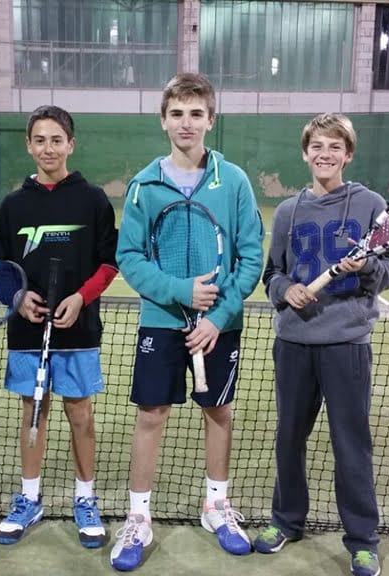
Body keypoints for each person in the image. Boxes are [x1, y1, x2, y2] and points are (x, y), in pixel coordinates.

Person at [110, 72, 265, 571]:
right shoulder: (143, 186)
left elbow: (249, 258)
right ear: (163, 120)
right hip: (161, 321)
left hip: (219, 326)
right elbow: (129, 257)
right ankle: (138, 517)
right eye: (177, 113)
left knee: (218, 411)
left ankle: (216, 507)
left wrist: (218, 317)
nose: (186, 122)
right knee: (151, 415)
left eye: (196, 113)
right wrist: (180, 292)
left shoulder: (234, 181)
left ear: (210, 120)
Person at [256, 112, 389, 576]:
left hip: (346, 344)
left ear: (348, 154)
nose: (325, 154)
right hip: (294, 343)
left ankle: (361, 540)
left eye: (335, 147)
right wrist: (284, 292)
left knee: (350, 444)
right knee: (289, 438)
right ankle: (286, 521)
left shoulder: (371, 205)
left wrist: (367, 269)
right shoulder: (289, 212)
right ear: (305, 152)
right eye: (317, 146)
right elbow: (271, 274)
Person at [0, 105, 119, 548]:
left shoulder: (94, 200)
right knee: (34, 411)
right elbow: (0, 269)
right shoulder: (12, 206)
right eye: (39, 140)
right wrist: (18, 298)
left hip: (78, 329)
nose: (48, 148)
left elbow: (108, 264)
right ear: (29, 145)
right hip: (28, 331)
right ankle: (30, 498)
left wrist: (81, 298)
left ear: (71, 144)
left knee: (80, 413)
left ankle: (85, 497)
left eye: (56, 140)